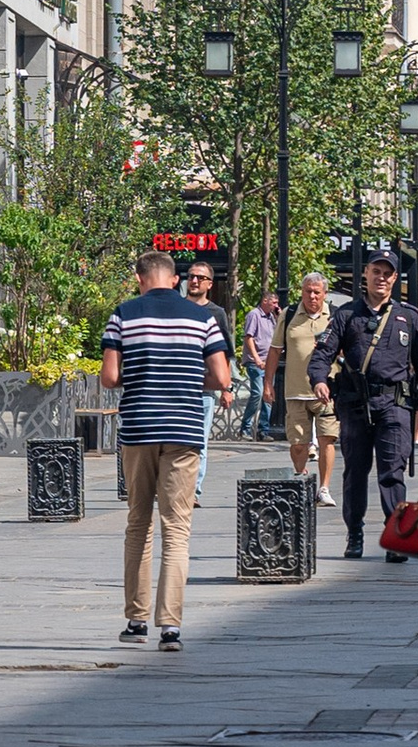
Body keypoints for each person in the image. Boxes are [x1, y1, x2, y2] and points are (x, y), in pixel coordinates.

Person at [100, 247, 232, 648]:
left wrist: (144, 375)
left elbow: (109, 377)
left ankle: (136, 621)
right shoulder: (203, 318)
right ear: (175, 280)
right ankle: (170, 627)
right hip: (184, 430)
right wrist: (189, 380)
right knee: (177, 528)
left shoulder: (123, 315)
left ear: (140, 279)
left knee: (138, 523)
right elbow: (222, 377)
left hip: (139, 428)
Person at [312, 246, 418, 559]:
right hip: (356, 405)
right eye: (376, 272)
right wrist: (318, 379)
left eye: (387, 273)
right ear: (366, 275)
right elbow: (322, 353)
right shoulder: (346, 315)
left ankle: (395, 536)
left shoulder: (408, 317)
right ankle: (355, 534)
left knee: (392, 472)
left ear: (395, 279)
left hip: (395, 405)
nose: (381, 278)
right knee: (355, 473)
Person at [271, 270, 338, 499]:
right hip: (296, 390)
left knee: (327, 439)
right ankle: (301, 479)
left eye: (317, 292)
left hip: (327, 391)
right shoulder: (289, 314)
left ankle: (324, 488)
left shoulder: (335, 316)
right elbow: (275, 350)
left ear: (325, 294)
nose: (312, 296)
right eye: (308, 291)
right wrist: (268, 383)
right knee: (299, 444)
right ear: (301, 292)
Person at [184, 258, 226, 501]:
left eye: (200, 278)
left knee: (199, 441)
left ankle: (194, 491)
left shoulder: (216, 314)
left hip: (204, 388)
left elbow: (224, 353)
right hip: (177, 387)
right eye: (191, 276)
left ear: (210, 283)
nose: (194, 281)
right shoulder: (176, 309)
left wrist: (227, 387)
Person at [240, 289, 278, 438]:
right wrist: (256, 358)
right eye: (274, 303)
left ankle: (264, 429)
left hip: (269, 362)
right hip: (255, 361)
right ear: (265, 301)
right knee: (257, 393)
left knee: (268, 394)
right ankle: (245, 427)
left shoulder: (272, 317)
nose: (276, 305)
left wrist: (279, 316)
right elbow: (248, 337)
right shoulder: (254, 315)